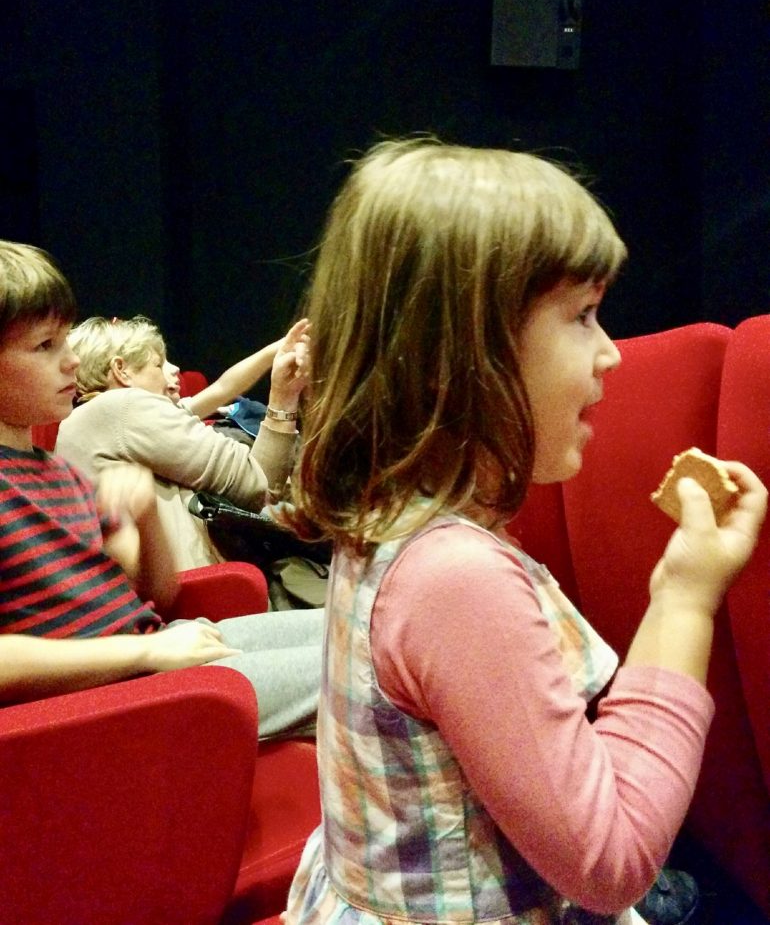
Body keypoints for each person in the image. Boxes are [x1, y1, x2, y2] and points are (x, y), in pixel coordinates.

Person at [283, 139, 767, 923]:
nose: (610, 354)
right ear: (458, 352)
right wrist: (687, 600)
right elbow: (611, 861)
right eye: (582, 316)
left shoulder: (389, 513)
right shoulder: (456, 577)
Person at [0, 239, 321, 739]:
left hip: (156, 653)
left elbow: (157, 593)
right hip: (108, 705)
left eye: (65, 341)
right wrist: (146, 652)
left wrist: (146, 515)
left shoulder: (57, 472)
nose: (71, 362)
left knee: (365, 628)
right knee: (373, 670)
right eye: (45, 346)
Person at [56, 314, 307, 572]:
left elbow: (223, 388)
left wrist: (277, 352)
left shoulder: (96, 419)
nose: (172, 370)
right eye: (158, 365)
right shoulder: (124, 407)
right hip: (205, 589)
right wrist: (284, 397)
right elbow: (259, 484)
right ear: (121, 370)